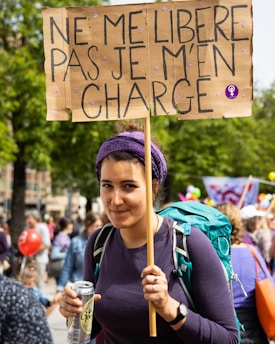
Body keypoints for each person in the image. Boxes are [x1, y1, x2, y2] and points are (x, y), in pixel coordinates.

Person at [59, 122, 238, 343]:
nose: (115, 200)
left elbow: (229, 338)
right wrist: (74, 311)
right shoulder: (99, 244)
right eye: (107, 185)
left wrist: (170, 307)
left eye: (128, 186)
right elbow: (91, 329)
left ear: (153, 188)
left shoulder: (189, 244)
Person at [216, 202, 273, 344]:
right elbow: (268, 285)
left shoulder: (210, 254)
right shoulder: (252, 252)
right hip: (253, 331)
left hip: (221, 328)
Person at [52, 211, 104, 304]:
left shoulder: (105, 244)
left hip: (98, 292)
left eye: (101, 225)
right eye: (96, 226)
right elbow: (67, 267)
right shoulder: (76, 242)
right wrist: (59, 289)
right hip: (78, 290)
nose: (99, 228)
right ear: (88, 226)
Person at [0, 273, 53, 343]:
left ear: (34, 283)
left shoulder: (22, 297)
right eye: (25, 283)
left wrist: (48, 303)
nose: (27, 286)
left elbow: (42, 299)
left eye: (29, 284)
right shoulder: (17, 293)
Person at [25, 209, 51, 289]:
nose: (28, 220)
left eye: (30, 218)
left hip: (40, 259)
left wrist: (33, 251)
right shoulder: (28, 228)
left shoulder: (42, 228)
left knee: (39, 281)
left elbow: (47, 244)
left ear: (35, 218)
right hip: (30, 259)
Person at [48, 216, 73, 283]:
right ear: (68, 225)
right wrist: (69, 254)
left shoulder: (64, 236)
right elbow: (54, 254)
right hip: (61, 270)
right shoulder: (60, 237)